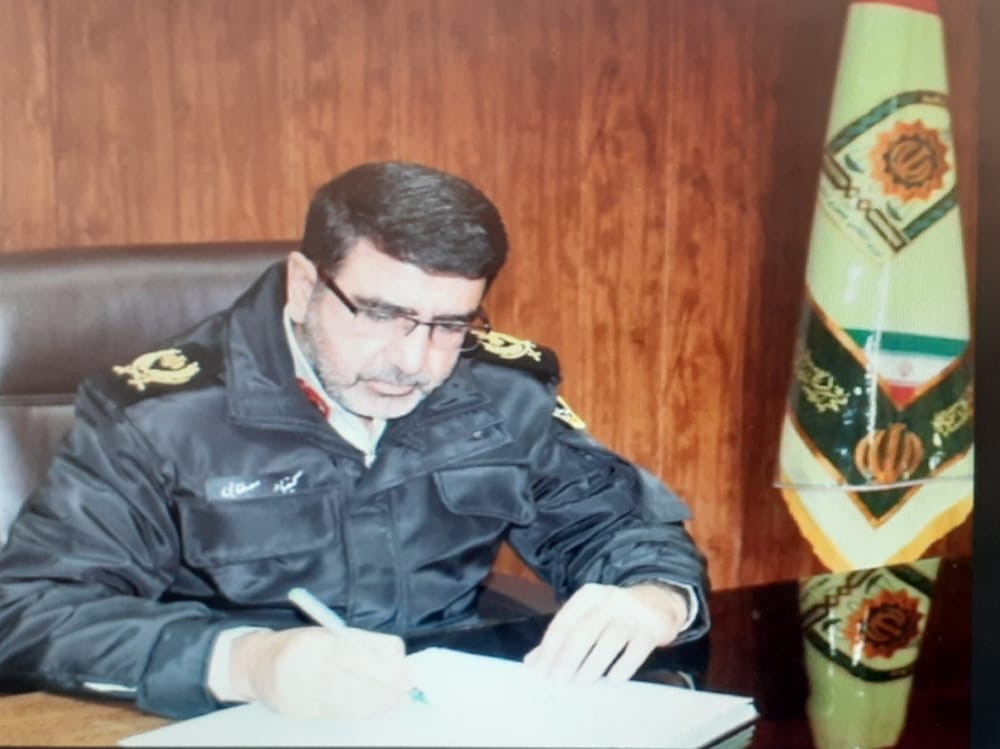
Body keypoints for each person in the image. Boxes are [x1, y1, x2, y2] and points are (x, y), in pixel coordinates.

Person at [0, 161, 709, 720]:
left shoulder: (499, 388)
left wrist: (651, 596)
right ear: (303, 284)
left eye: (449, 324)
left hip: (443, 713)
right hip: (232, 715)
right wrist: (245, 661)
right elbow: (31, 609)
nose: (413, 361)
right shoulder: (160, 414)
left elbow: (617, 523)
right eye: (379, 314)